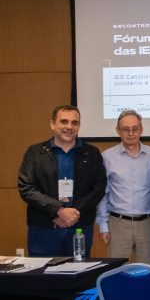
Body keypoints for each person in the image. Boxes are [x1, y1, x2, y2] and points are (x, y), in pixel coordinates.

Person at [18, 105, 107, 257]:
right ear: (53, 124)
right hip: (44, 228)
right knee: (45, 277)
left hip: (80, 227)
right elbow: (27, 188)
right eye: (64, 122)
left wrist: (72, 214)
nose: (69, 127)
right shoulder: (35, 152)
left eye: (74, 123)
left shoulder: (91, 153)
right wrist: (59, 211)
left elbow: (98, 187)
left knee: (78, 277)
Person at [96, 110, 150, 264]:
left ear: (141, 129)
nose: (131, 133)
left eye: (135, 128)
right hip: (118, 223)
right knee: (117, 273)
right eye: (125, 129)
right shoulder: (107, 157)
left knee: (148, 273)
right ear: (118, 131)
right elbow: (102, 194)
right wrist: (103, 225)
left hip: (148, 223)